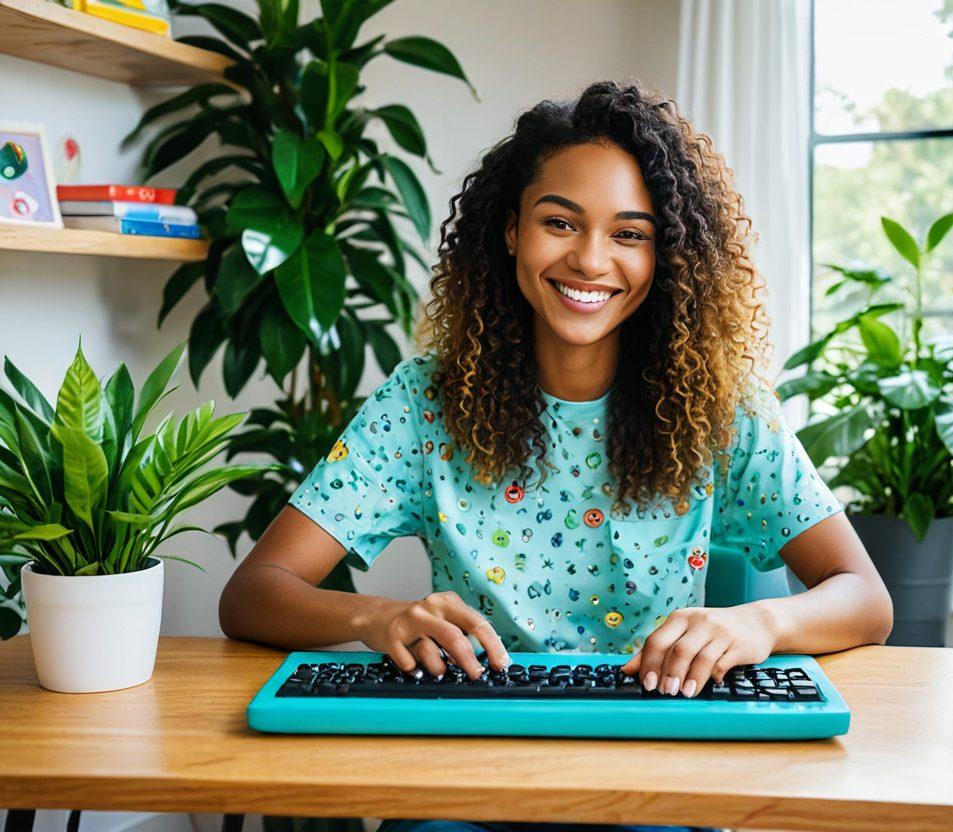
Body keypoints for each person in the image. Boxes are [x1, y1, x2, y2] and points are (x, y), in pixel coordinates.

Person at [219, 78, 893, 832]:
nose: (591, 260)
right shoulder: (421, 404)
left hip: (656, 773)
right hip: (465, 772)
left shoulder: (722, 410)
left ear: (665, 254)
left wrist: (761, 625)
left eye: (630, 233)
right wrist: (376, 616)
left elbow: (864, 599)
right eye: (560, 223)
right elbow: (253, 593)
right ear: (511, 231)